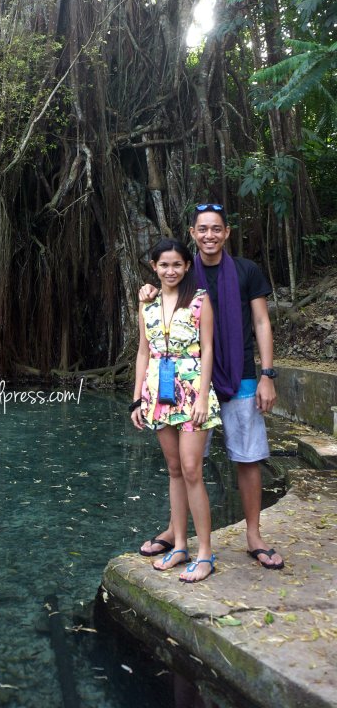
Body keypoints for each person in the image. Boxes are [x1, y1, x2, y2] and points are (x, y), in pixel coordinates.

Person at [138, 203, 284, 570]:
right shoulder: (184, 272)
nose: (209, 235)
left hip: (239, 373)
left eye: (216, 228)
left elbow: (262, 322)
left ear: (227, 232)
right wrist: (149, 292)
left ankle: (253, 534)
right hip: (188, 381)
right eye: (202, 229)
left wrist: (267, 374)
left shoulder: (246, 271)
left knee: (247, 455)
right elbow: (165, 301)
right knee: (186, 464)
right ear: (192, 233)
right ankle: (176, 532)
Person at [131, 237, 221, 583]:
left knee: (191, 469)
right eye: (163, 265)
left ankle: (204, 553)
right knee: (173, 469)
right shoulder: (147, 306)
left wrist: (201, 398)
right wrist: (138, 398)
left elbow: (209, 350)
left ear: (187, 267)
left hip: (193, 394)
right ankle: (179, 545)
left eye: (177, 264)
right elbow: (143, 353)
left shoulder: (199, 302)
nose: (170, 270)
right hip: (158, 394)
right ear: (154, 267)